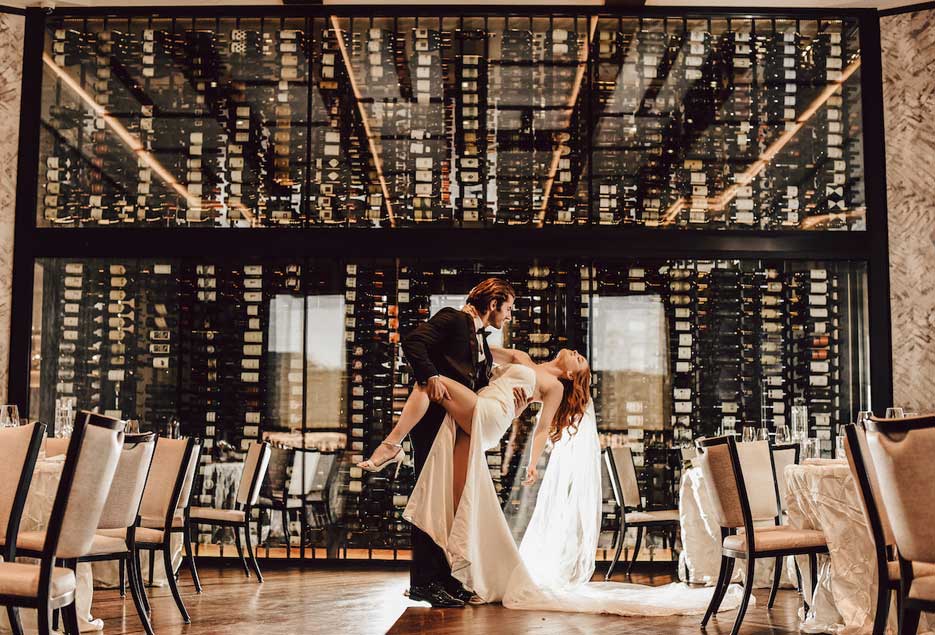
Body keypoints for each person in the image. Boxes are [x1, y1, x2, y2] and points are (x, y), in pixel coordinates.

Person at [396, 348, 747, 616]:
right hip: (483, 407)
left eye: (579, 361)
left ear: (568, 373)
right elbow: (483, 354)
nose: (578, 355)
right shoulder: (522, 357)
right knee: (457, 494)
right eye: (579, 356)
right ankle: (450, 566)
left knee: (456, 477)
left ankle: (396, 451)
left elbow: (542, 428)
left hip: (489, 417)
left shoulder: (553, 389)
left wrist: (533, 463)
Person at [364, 278, 525, 608]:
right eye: (508, 307)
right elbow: (413, 342)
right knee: (430, 497)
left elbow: (476, 387)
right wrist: (430, 376)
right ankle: (423, 583)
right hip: (432, 425)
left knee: (447, 502)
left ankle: (446, 579)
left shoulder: (478, 337)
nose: (509, 315)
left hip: (451, 427)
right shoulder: (453, 318)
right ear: (493, 303)